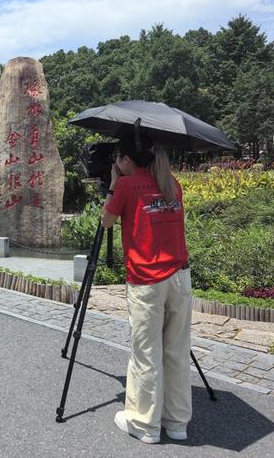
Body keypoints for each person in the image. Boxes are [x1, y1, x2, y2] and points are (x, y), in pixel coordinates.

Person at [101, 138, 192, 444]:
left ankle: (144, 424)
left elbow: (107, 221)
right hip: (179, 277)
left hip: (147, 280)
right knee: (177, 352)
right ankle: (177, 423)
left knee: (146, 353)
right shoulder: (172, 184)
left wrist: (114, 185)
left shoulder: (128, 186)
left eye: (117, 158)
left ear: (127, 160)